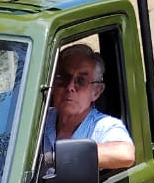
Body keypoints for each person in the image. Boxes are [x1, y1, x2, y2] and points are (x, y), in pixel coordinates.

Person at [43, 43, 135, 172]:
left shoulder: (103, 126)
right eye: (63, 78)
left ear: (96, 91)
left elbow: (126, 153)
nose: (70, 87)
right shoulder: (41, 119)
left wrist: (57, 157)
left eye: (81, 81)